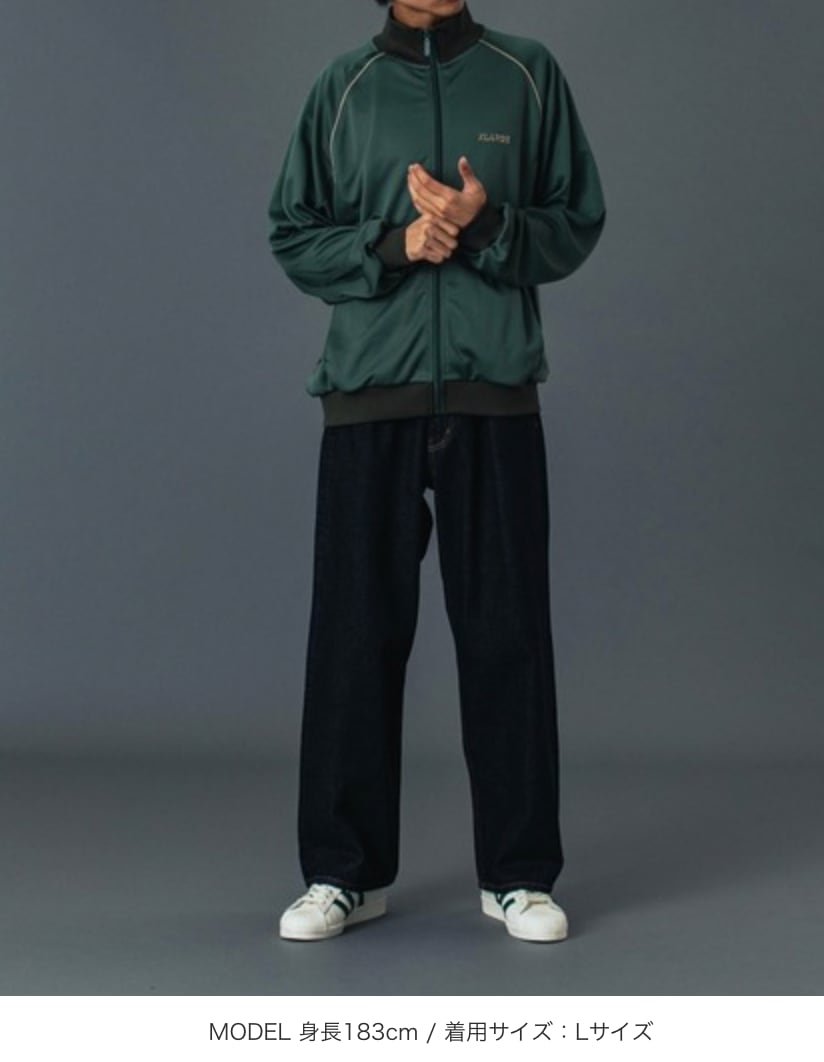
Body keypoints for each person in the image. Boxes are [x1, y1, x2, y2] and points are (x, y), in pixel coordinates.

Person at [266, 0, 606, 943]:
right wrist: (397, 244)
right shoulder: (344, 88)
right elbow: (292, 232)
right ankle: (343, 873)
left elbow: (576, 220)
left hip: (495, 396)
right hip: (368, 395)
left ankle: (519, 876)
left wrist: (485, 223)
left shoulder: (527, 74)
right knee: (353, 636)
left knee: (508, 636)